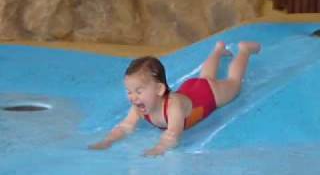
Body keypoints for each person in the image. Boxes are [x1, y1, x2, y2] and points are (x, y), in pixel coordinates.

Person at [88, 41, 261, 156]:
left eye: (138, 91)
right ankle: (218, 50)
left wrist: (157, 149)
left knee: (233, 83)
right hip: (190, 88)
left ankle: (244, 50)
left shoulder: (173, 108)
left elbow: (173, 135)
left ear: (159, 89)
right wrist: (107, 141)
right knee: (205, 76)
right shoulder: (139, 107)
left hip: (208, 94)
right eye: (129, 91)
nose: (133, 97)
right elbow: (125, 127)